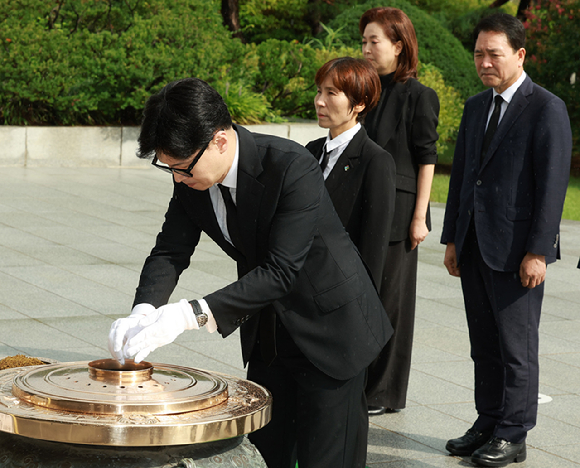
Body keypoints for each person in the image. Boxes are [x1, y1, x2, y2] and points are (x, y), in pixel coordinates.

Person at [107, 77, 393, 468]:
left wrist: (188, 314)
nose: (177, 178)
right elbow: (170, 250)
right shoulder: (192, 176)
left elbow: (281, 270)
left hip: (332, 330)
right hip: (271, 335)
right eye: (168, 168)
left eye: (183, 167)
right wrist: (143, 310)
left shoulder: (291, 165)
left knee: (327, 459)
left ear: (219, 140)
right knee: (262, 454)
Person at [441, 13, 572, 467]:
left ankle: (514, 433)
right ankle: (488, 420)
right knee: (484, 344)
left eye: (494, 53)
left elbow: (553, 185)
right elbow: (462, 177)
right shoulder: (477, 106)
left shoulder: (546, 107)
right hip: (474, 243)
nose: (484, 62)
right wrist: (452, 239)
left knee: (517, 348)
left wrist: (538, 251)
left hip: (518, 251)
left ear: (519, 55)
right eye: (478, 53)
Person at [359, 7, 440, 415]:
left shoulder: (420, 96)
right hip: (361, 209)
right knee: (362, 297)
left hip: (400, 212)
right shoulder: (364, 90)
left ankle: (384, 392)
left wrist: (419, 217)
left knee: (391, 302)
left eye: (375, 41)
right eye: (364, 41)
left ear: (398, 44)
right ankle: (359, 383)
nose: (367, 48)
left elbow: (427, 158)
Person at [306, 57, 397, 341]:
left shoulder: (376, 161)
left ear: (359, 103)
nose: (320, 101)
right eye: (319, 91)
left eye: (331, 93)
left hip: (339, 308)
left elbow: (372, 250)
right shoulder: (310, 151)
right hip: (301, 299)